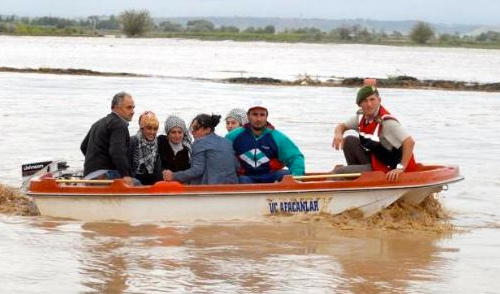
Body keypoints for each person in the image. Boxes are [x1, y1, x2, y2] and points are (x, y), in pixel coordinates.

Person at [332, 85, 417, 181]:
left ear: (379, 100)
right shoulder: (361, 117)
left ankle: (343, 180)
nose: (369, 104)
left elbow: (410, 142)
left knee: (339, 171)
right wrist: (338, 134)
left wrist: (400, 168)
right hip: (376, 160)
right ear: (359, 104)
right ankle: (356, 179)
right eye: (365, 101)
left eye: (372, 100)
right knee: (349, 141)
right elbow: (341, 126)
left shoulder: (387, 122)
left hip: (386, 168)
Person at [226, 101, 305, 183]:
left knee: (285, 174)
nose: (258, 119)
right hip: (246, 177)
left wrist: (296, 177)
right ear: (248, 116)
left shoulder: (278, 137)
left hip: (271, 176)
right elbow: (222, 157)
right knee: (240, 180)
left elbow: (295, 157)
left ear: (267, 116)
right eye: (255, 114)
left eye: (262, 115)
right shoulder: (233, 136)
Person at [163, 114, 238, 185]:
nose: (192, 132)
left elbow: (197, 170)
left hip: (210, 191)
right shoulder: (227, 142)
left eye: (196, 128)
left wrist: (173, 176)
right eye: (192, 128)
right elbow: (236, 166)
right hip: (232, 187)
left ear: (208, 130)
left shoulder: (199, 143)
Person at [80, 91, 135, 185]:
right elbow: (117, 152)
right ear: (117, 107)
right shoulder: (119, 124)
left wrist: (96, 163)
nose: (133, 111)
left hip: (89, 176)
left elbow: (84, 146)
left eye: (133, 107)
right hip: (105, 176)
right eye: (129, 107)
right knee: (138, 184)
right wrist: (125, 174)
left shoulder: (98, 123)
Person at [129, 111, 163, 185]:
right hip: (134, 182)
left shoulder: (158, 143)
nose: (152, 132)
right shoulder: (132, 141)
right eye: (149, 128)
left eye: (155, 129)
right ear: (142, 128)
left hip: (153, 183)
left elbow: (158, 170)